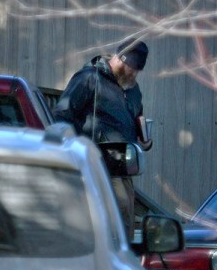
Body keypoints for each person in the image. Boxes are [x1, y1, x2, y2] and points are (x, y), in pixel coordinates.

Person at [53, 38, 152, 240]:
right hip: (97, 165)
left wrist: (145, 141)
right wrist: (75, 151)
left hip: (124, 168)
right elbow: (63, 115)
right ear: (123, 61)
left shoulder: (133, 90)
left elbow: (137, 118)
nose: (135, 75)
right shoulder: (89, 78)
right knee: (108, 222)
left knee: (124, 220)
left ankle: (122, 262)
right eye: (134, 69)